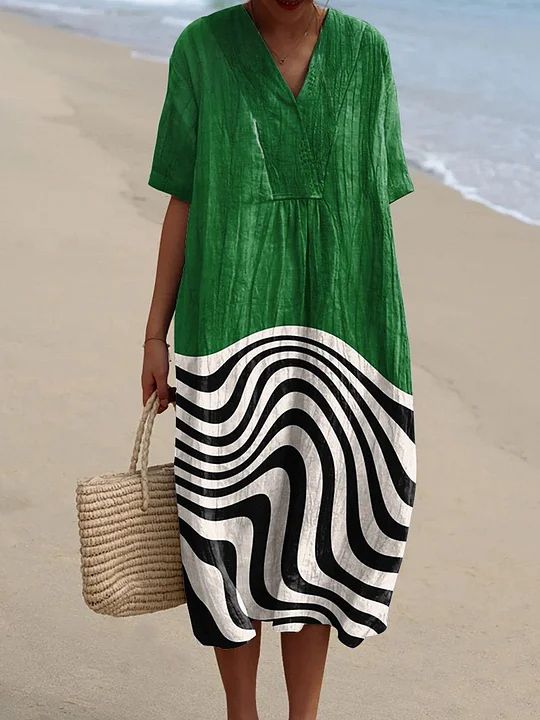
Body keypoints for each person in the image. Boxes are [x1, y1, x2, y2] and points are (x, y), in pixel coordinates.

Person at [143, 1, 417, 718]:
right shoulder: (203, 48)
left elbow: (370, 203)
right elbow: (183, 198)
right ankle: (242, 714)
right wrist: (154, 335)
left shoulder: (365, 54)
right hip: (225, 332)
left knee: (320, 533)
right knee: (223, 529)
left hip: (344, 330)